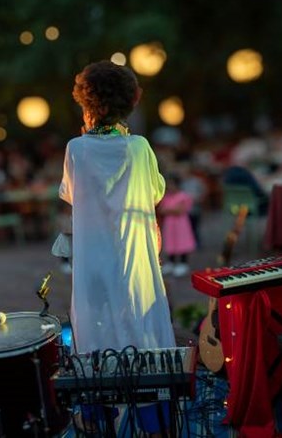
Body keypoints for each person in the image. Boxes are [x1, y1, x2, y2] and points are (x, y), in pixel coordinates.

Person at [60, 60, 175, 435]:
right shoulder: (139, 148)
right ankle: (152, 422)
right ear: (128, 101)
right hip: (135, 261)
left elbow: (71, 196)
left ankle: (97, 418)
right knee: (143, 331)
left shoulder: (76, 149)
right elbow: (156, 192)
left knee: (95, 335)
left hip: (94, 263)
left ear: (88, 103)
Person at [158, 174, 197, 277]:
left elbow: (179, 211)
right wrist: (171, 210)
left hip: (181, 224)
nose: (170, 187)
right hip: (170, 224)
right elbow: (161, 210)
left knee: (182, 242)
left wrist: (169, 210)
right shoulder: (167, 197)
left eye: (172, 185)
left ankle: (183, 263)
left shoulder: (183, 196)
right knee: (171, 241)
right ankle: (171, 262)